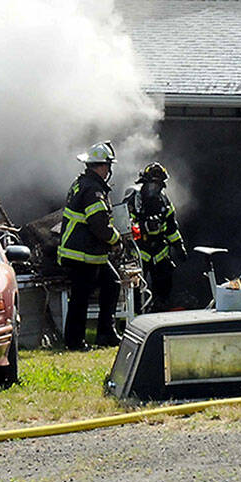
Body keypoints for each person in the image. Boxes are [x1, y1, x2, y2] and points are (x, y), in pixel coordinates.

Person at [57, 141, 123, 349]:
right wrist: (116, 239)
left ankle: (106, 334)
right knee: (80, 298)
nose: (109, 171)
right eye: (108, 166)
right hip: (81, 254)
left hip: (88, 253)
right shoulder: (93, 189)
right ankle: (75, 342)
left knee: (112, 283)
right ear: (102, 166)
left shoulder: (83, 183)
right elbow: (99, 225)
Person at [127, 162, 186, 311]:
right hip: (139, 253)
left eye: (159, 185)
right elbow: (125, 225)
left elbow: (171, 228)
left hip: (160, 252)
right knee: (135, 291)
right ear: (145, 182)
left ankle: (160, 312)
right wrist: (143, 226)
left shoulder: (164, 202)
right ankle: (135, 316)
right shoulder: (135, 199)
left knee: (164, 288)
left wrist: (179, 246)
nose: (156, 188)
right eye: (153, 184)